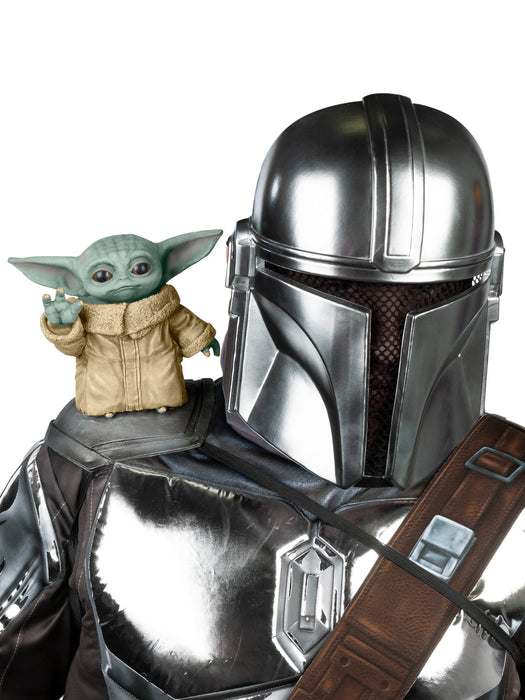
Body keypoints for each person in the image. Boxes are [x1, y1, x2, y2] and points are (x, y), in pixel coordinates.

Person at [0, 94, 523, 700]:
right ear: (244, 264)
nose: (385, 343)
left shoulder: (508, 500)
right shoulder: (97, 465)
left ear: (489, 282)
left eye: (428, 296)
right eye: (335, 290)